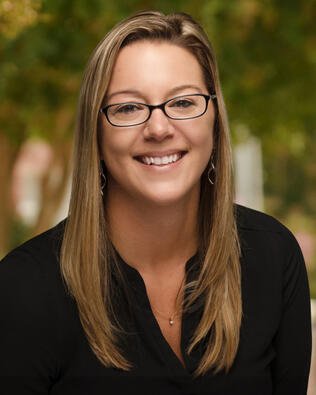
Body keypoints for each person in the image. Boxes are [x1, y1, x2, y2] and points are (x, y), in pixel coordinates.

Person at [0, 10, 312, 395]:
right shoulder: (22, 290)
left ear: (214, 120)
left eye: (183, 102)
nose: (159, 128)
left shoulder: (273, 257)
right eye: (128, 107)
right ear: (95, 135)